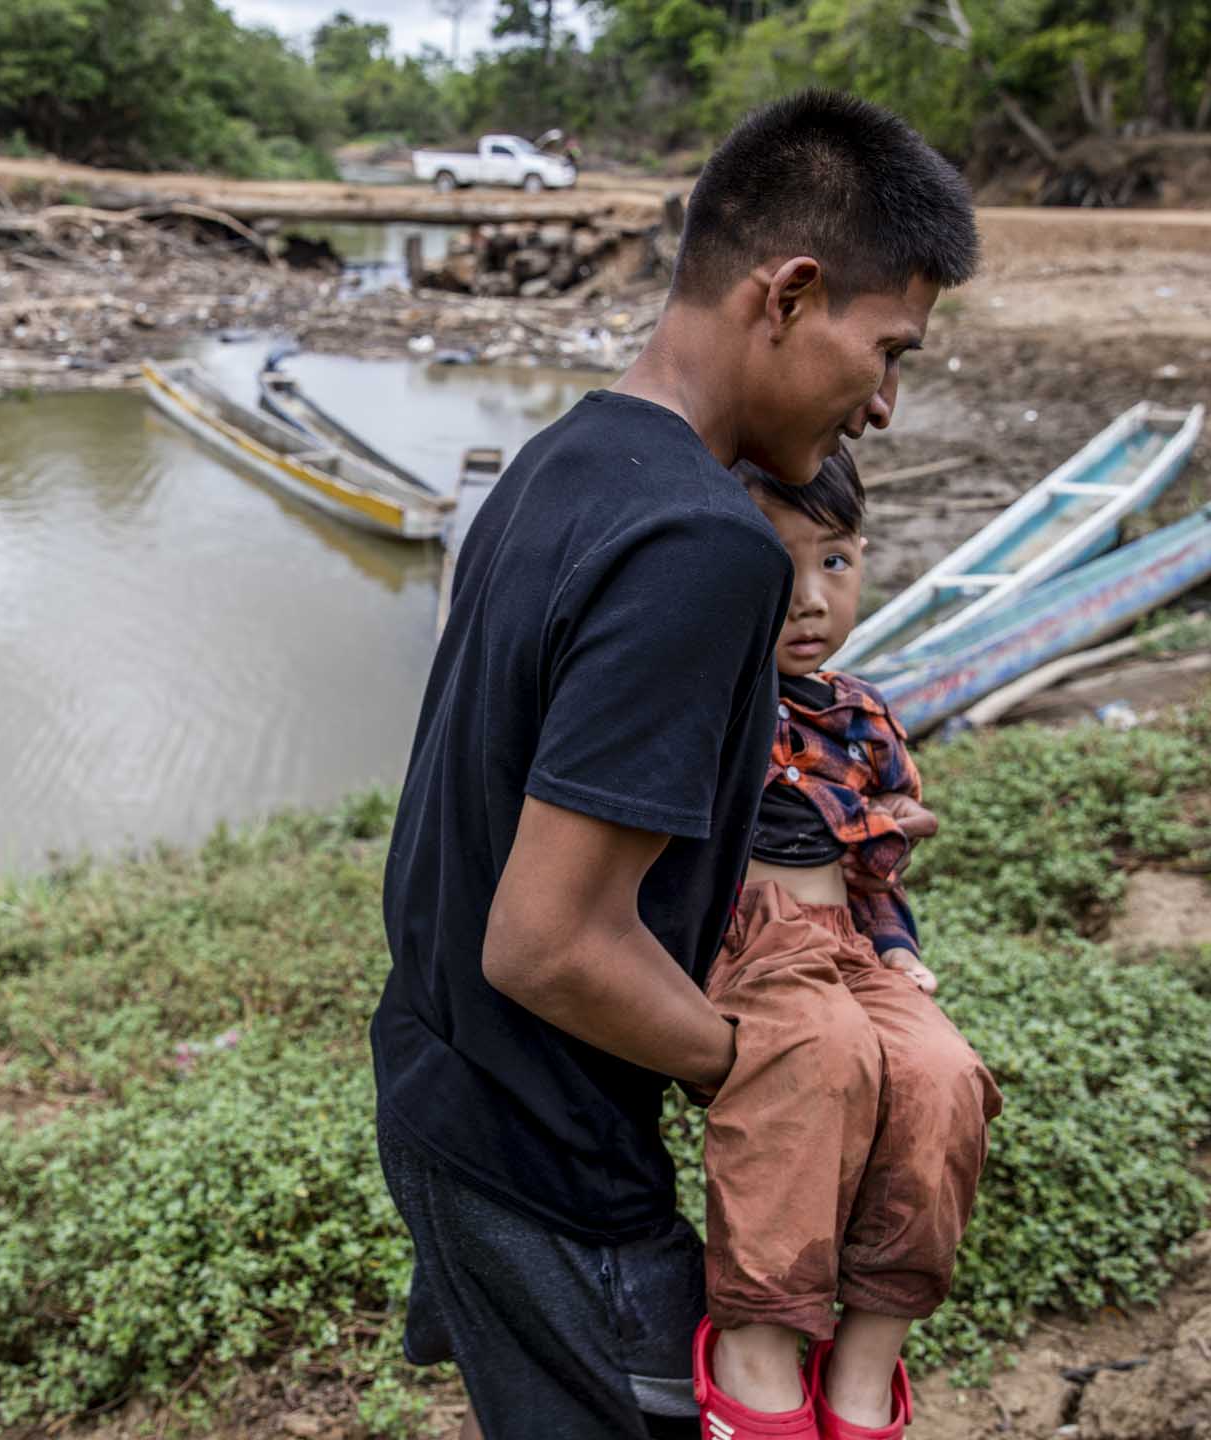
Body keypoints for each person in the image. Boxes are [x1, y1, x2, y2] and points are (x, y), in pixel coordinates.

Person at [373, 88, 979, 1440]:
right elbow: (546, 942)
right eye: (887, 351)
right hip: (551, 1156)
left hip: (443, 1093)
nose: (884, 404)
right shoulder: (706, 549)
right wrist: (773, 1067)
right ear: (790, 292)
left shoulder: (561, 459)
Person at [692, 448, 1002, 1440]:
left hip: (846, 945)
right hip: (748, 946)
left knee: (944, 1074)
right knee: (822, 1054)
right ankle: (757, 1347)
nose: (807, 600)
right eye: (774, 567)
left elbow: (877, 876)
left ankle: (865, 1366)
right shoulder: (704, 700)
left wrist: (897, 946)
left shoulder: (862, 717)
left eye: (834, 563)